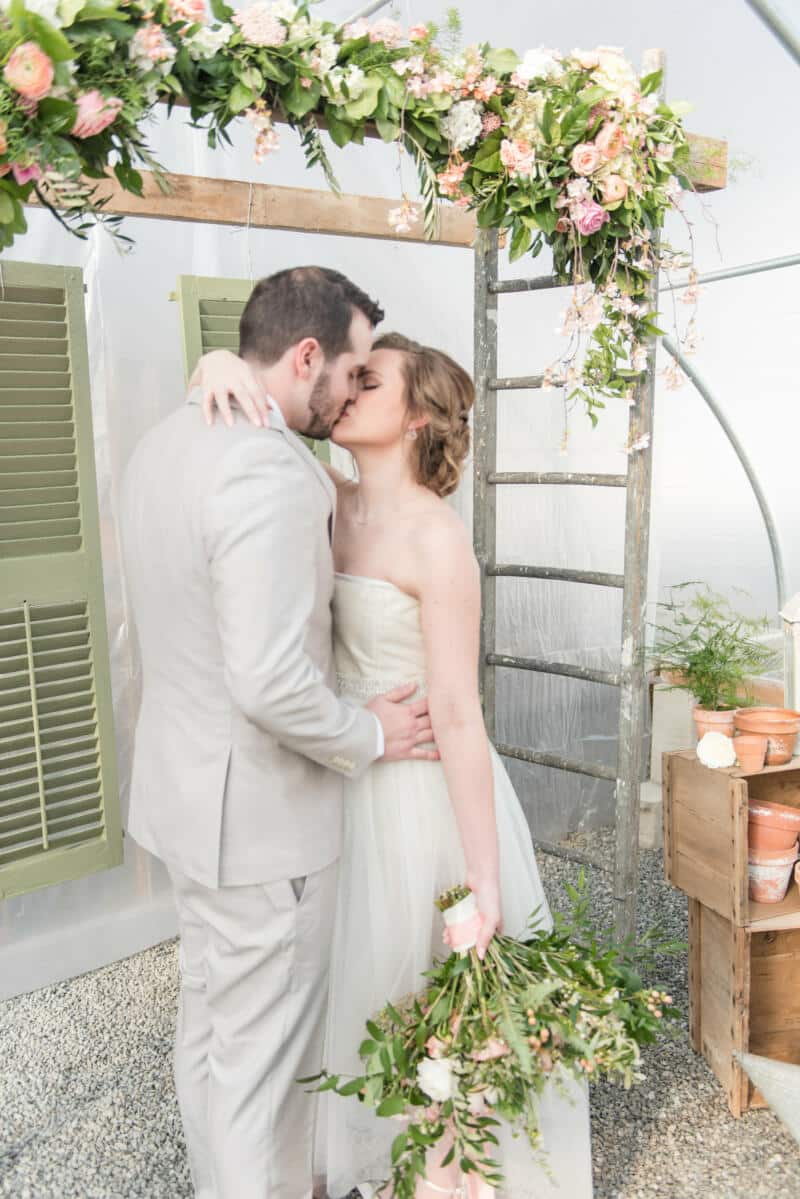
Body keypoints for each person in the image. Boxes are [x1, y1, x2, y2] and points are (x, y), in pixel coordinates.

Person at [195, 329, 594, 1198]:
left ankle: (447, 1180)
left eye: (368, 380)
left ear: (413, 418)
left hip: (422, 805)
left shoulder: (438, 541)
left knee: (429, 1014)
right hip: (343, 783)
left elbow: (457, 712)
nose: (345, 386)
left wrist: (486, 882)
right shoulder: (323, 496)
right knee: (352, 1005)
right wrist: (219, 364)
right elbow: (253, 407)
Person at [119, 267, 439, 1199]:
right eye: (347, 369)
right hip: (261, 825)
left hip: (186, 806)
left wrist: (216, 362)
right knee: (260, 1065)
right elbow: (269, 682)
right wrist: (370, 733)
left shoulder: (168, 441)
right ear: (306, 356)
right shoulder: (270, 472)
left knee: (215, 1034)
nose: (348, 392)